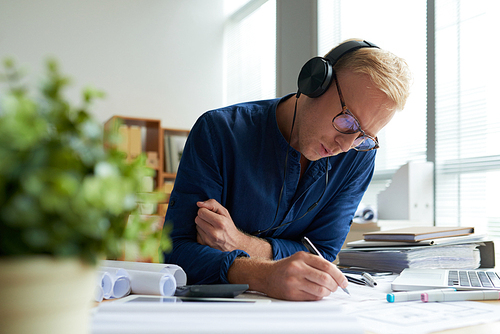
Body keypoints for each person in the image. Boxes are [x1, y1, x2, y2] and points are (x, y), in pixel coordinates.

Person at [162, 39, 411, 301]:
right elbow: (176, 252)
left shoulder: (357, 159)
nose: (346, 145)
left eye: (363, 136)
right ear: (314, 83)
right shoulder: (219, 132)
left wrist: (238, 243)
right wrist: (263, 275)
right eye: (348, 120)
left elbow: (320, 255)